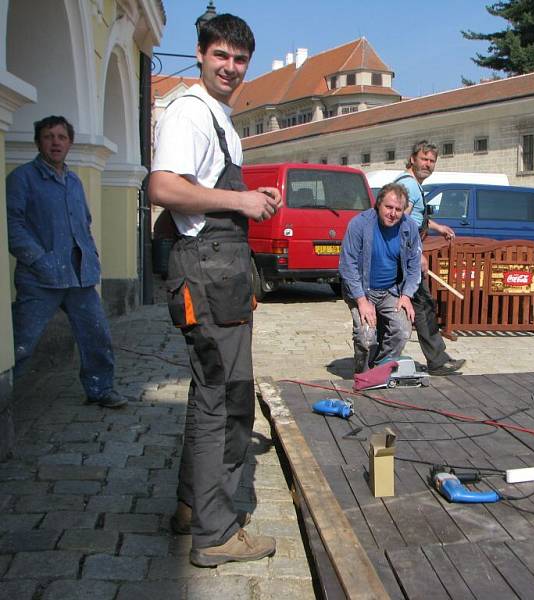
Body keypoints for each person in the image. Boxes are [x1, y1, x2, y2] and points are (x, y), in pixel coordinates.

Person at [147, 14, 282, 568]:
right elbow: (163, 186)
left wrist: (250, 200)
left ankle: (190, 509)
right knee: (224, 401)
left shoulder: (215, 116)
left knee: (211, 394)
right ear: (200, 54)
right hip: (207, 274)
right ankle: (216, 533)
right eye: (221, 55)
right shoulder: (190, 111)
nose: (230, 67)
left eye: (240, 58)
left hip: (217, 272)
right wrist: (243, 202)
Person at [6, 116, 128, 409]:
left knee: (96, 336)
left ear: (70, 143)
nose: (55, 142)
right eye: (48, 136)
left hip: (80, 276)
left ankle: (100, 389)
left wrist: (92, 256)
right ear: (39, 142)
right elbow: (12, 225)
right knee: (21, 343)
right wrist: (39, 259)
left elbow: (83, 222)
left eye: (61, 137)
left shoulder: (73, 180)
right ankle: (4, 400)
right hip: (40, 278)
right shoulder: (23, 178)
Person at [395, 141, 466, 376]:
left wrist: (437, 226)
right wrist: (418, 255)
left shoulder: (411, 186)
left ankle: (436, 358)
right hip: (406, 259)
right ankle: (437, 361)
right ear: (412, 159)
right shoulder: (409, 187)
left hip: (405, 258)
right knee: (424, 307)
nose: (428, 164)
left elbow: (414, 218)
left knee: (420, 307)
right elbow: (400, 224)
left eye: (432, 161)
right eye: (424, 159)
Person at [339, 183, 421, 373]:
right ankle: (362, 371)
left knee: (402, 330)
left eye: (398, 209)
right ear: (378, 204)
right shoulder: (359, 224)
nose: (393, 213)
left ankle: (381, 368)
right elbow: (347, 264)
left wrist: (407, 295)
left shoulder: (409, 227)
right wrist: (361, 301)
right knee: (366, 337)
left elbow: (414, 265)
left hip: (390, 290)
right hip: (361, 290)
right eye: (389, 207)